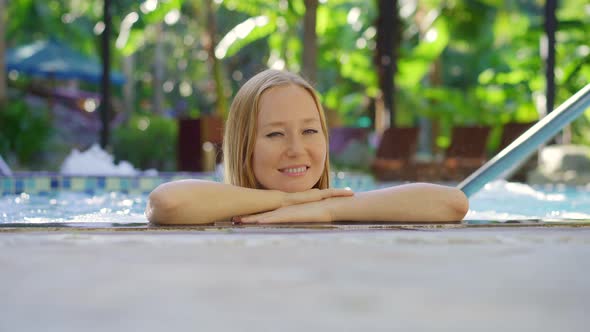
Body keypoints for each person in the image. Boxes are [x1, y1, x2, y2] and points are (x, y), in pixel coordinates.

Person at [146, 69, 468, 225]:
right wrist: (285, 200)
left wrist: (328, 208)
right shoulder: (215, 207)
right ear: (245, 145)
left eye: (310, 130)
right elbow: (166, 202)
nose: (296, 149)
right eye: (274, 135)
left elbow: (452, 203)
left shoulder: (334, 204)